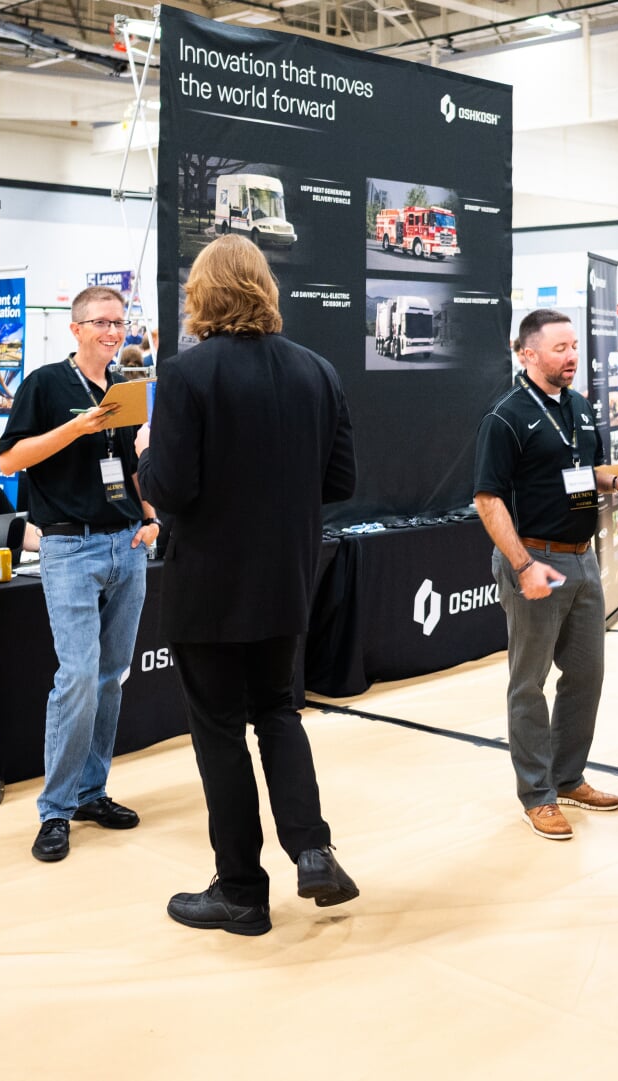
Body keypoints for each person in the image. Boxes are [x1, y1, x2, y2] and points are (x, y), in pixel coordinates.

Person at [139, 235, 359, 936]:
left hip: (208, 585)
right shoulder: (317, 371)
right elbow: (341, 481)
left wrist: (146, 456)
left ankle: (240, 889)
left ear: (201, 294)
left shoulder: (185, 376)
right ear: (266, 288)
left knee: (220, 734)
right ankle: (313, 847)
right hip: (287, 577)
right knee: (278, 712)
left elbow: (171, 488)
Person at [0, 285, 158, 863]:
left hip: (126, 546)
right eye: (101, 323)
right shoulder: (44, 385)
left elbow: (130, 468)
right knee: (79, 676)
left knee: (112, 675)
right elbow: (10, 460)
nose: (113, 332)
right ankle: (56, 809)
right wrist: (77, 429)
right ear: (76, 328)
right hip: (69, 549)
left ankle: (92, 792)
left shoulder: (127, 389)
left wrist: (150, 517)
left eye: (120, 323)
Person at [474, 310, 618, 841]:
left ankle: (568, 776)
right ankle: (537, 793)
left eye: (574, 347)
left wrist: (613, 478)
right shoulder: (505, 416)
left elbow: (578, 473)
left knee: (586, 675)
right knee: (529, 683)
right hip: (535, 560)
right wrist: (522, 565)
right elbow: (487, 498)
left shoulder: (579, 407)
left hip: (583, 557)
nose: (572, 357)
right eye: (559, 349)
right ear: (527, 354)